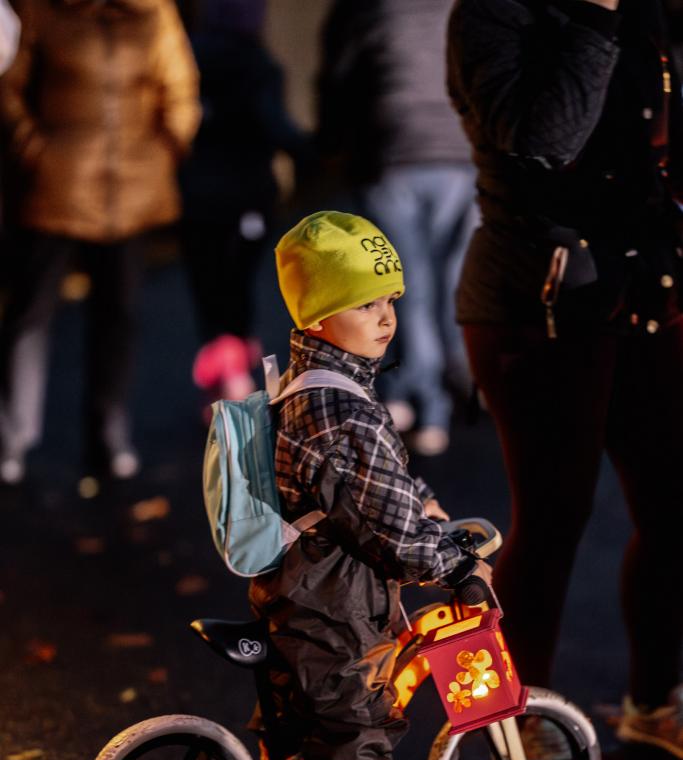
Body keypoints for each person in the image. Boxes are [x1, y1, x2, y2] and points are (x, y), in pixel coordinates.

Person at [447, 0, 683, 757]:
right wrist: (594, 15)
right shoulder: (494, 12)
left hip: (642, 290)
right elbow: (545, 139)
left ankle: (653, 705)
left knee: (671, 507)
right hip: (535, 303)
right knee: (551, 520)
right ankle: (513, 730)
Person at [249, 210, 492, 760]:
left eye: (390, 299)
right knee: (357, 717)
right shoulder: (342, 409)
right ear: (318, 316)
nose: (386, 317)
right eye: (363, 303)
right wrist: (454, 565)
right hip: (331, 600)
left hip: (300, 588)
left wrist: (425, 503)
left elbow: (378, 484)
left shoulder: (318, 384)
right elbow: (392, 534)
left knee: (302, 713)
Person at [0, 0, 200, 486]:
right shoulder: (42, 10)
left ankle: (109, 435)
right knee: (31, 315)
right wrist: (36, 151)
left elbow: (181, 89)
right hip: (57, 190)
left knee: (119, 316)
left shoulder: (154, 12)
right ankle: (11, 439)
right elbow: (10, 90)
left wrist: (166, 150)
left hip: (131, 193)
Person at [317, 0, 479, 456]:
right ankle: (450, 385)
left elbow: (337, 77)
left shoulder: (364, 9)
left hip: (390, 148)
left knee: (405, 285)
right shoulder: (457, 8)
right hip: (457, 150)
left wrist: (330, 145)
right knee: (449, 282)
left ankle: (425, 402)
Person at [181, 0, 313, 410]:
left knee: (208, 288)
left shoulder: (185, 58)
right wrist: (313, 153)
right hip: (246, 194)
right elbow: (274, 125)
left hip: (194, 195)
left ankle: (218, 379)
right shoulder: (258, 65)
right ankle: (234, 377)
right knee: (237, 288)